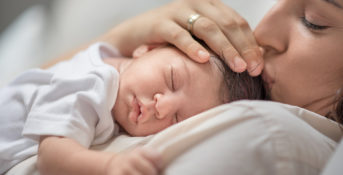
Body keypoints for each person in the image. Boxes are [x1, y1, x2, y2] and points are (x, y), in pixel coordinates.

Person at [39, 0, 342, 174]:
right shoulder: (101, 81)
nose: (261, 32)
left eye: (314, 22)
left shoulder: (266, 132)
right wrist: (121, 38)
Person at [0, 39, 264, 174]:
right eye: (172, 79)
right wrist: (110, 165)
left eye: (176, 119)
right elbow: (51, 156)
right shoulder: (91, 82)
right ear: (147, 48)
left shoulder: (114, 74)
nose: (162, 106)